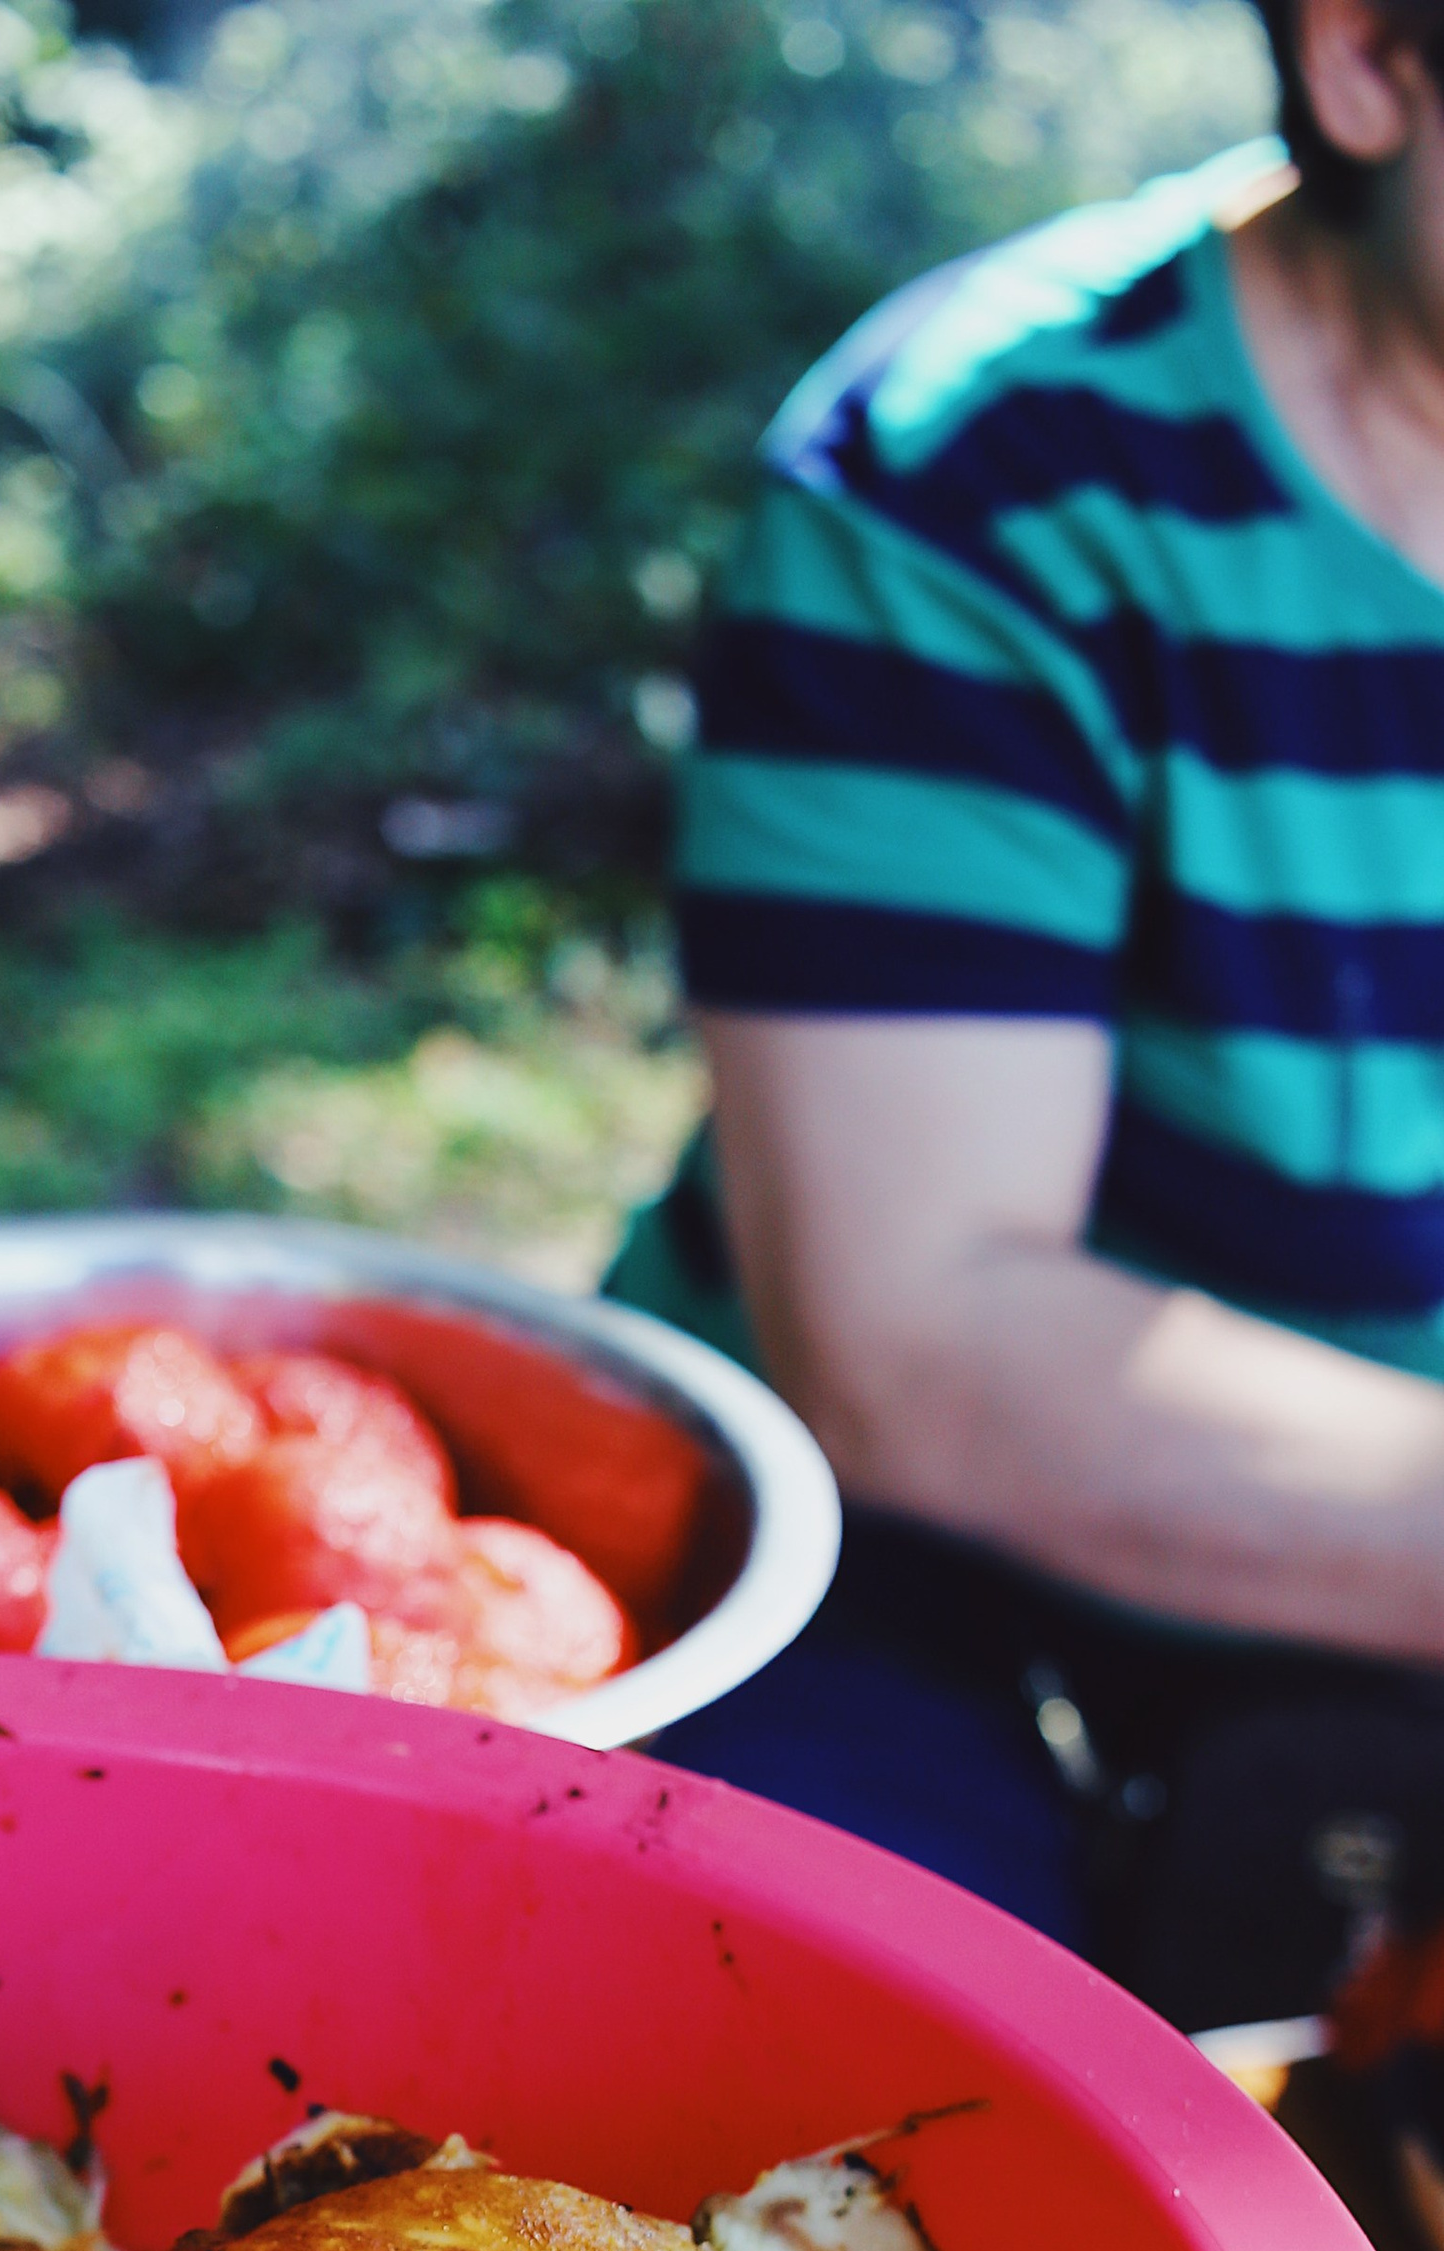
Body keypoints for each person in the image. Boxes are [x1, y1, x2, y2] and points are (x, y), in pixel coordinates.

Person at [615, 0, 1444, 2022]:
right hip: (904, 1582)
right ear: (1361, 61)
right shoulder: (983, 471)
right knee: (870, 2159)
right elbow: (917, 1349)